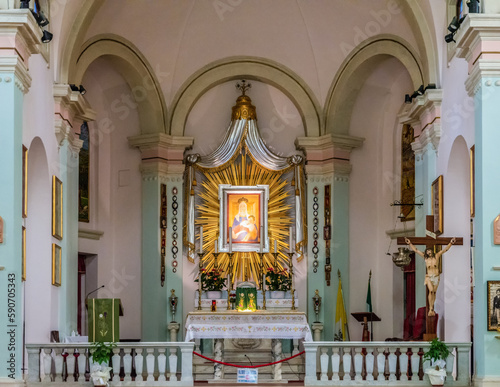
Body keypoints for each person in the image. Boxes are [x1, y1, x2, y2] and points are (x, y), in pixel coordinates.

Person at [405, 237, 456, 316]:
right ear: (426, 252)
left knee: (434, 292)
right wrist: (410, 243)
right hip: (429, 276)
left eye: (430, 250)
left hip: (436, 276)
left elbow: (444, 250)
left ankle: (432, 308)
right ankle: (430, 308)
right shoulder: (425, 258)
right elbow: (416, 250)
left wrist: (451, 243)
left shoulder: (437, 256)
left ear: (432, 251)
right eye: (427, 251)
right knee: (431, 291)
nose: (429, 252)